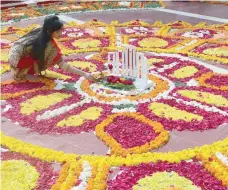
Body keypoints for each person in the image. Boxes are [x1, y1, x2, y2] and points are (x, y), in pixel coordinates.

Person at [8, 15, 94, 81]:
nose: (61, 33)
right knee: (46, 55)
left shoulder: (40, 30)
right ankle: (21, 74)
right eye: (57, 31)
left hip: (14, 54)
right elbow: (63, 65)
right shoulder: (48, 45)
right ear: (49, 31)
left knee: (41, 55)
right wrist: (85, 74)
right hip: (17, 60)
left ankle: (22, 71)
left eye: (61, 30)